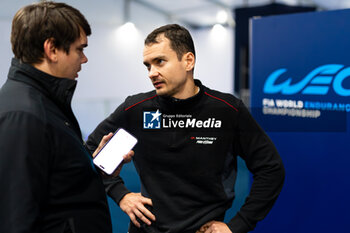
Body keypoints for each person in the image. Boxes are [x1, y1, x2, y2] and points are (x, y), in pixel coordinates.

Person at [86, 24, 285, 233]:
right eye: (148, 66)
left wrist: (239, 224)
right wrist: (121, 194)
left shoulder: (226, 110)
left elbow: (271, 168)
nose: (152, 73)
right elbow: (88, 149)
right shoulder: (136, 109)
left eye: (160, 62)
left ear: (188, 61)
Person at [0, 2, 133, 233]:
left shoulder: (43, 103)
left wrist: (93, 171)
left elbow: (54, 185)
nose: (84, 59)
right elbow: (16, 219)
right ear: (52, 49)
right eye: (80, 49)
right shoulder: (24, 116)